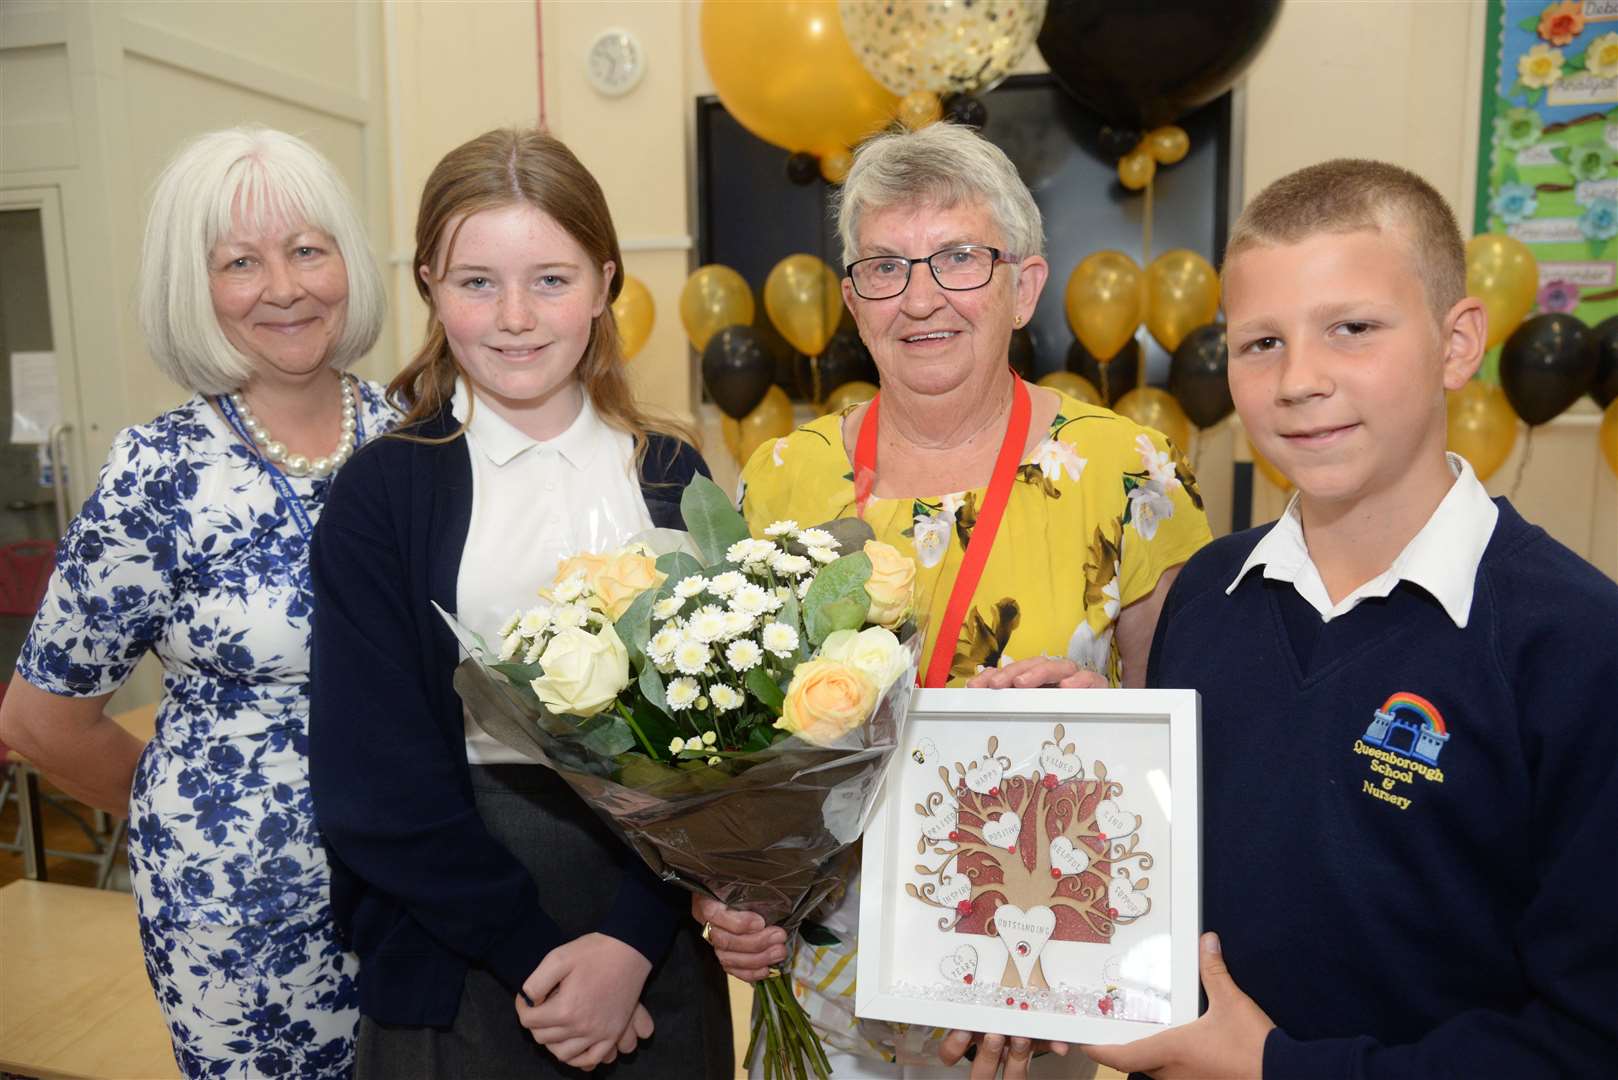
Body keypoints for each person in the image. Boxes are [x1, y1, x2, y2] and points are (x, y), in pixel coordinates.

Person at [1082, 159, 1618, 1079]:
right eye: (1259, 344)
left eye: (1352, 329)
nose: (1299, 381)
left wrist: (1274, 1067)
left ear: (1458, 344)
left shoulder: (1576, 643)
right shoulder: (1208, 594)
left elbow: (1588, 1042)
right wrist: (1075, 750)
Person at [699, 122, 1213, 1078]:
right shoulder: (780, 481)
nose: (922, 296)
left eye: (960, 259)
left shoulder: (1125, 473)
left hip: (1031, 982)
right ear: (853, 300)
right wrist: (725, 889)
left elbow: (1175, 762)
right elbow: (728, 742)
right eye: (885, 266)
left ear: (1024, 286)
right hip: (820, 984)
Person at [307, 128, 732, 1078]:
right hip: (457, 931)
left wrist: (627, 944)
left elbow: (724, 740)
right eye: (475, 282)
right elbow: (371, 784)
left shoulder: (668, 470)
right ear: (428, 285)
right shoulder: (383, 492)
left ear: (606, 282)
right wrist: (541, 964)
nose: (514, 317)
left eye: (551, 278)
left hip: (648, 928)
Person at [0, 126, 392, 1077]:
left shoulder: (413, 433)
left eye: (308, 249)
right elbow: (42, 719)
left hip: (421, 891)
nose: (285, 286)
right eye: (240, 262)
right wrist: (194, 816)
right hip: (241, 924)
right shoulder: (158, 473)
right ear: (194, 285)